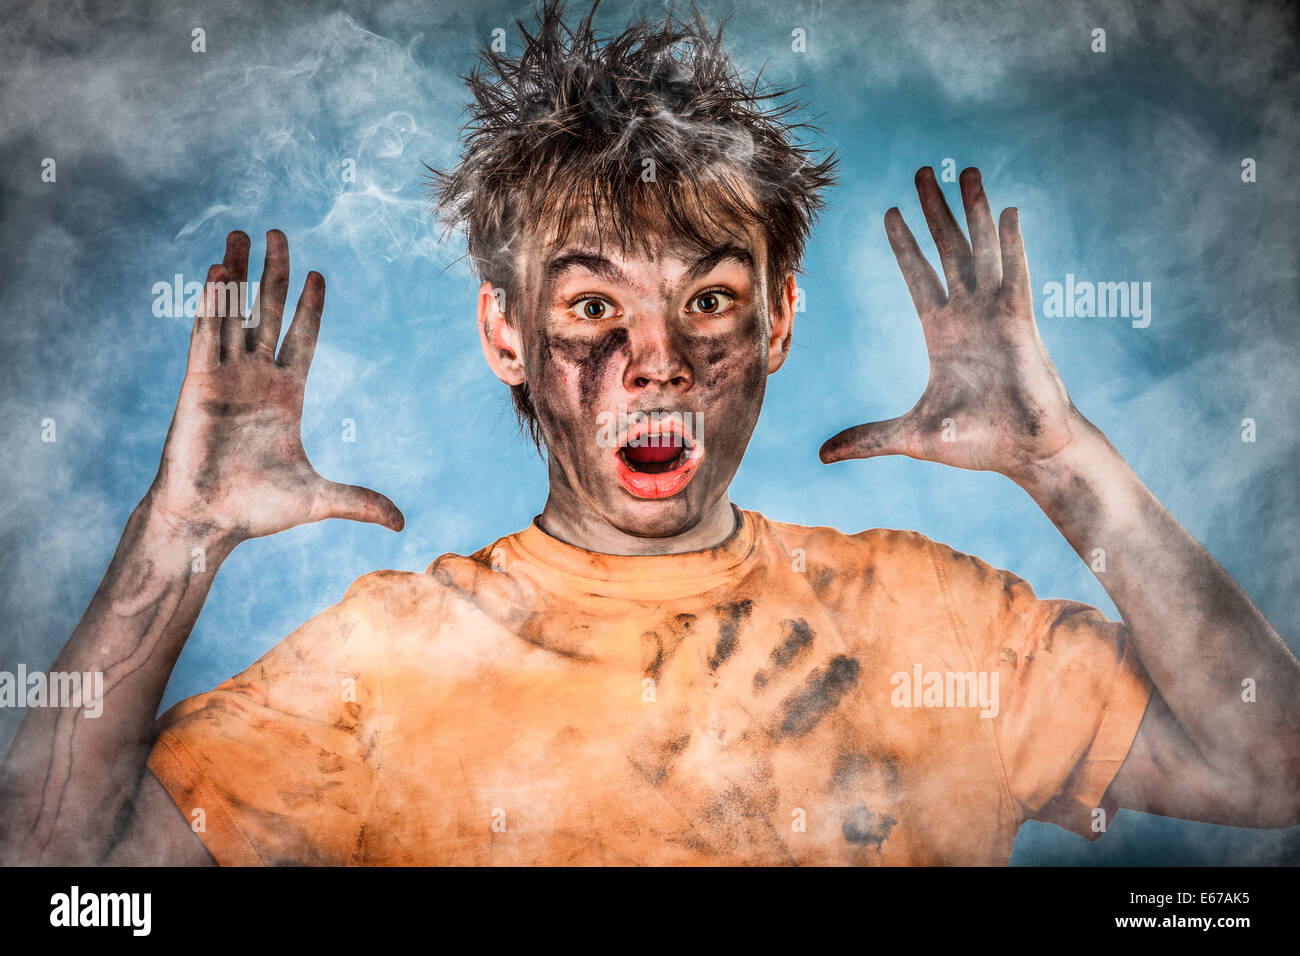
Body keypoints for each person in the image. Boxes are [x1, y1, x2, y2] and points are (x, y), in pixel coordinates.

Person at [3, 0, 1297, 866]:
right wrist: (178, 537)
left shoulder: (942, 624)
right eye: (589, 305)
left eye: (711, 300)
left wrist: (1065, 464)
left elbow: (1268, 766)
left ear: (780, 322)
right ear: (507, 336)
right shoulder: (380, 664)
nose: (659, 358)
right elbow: (54, 873)